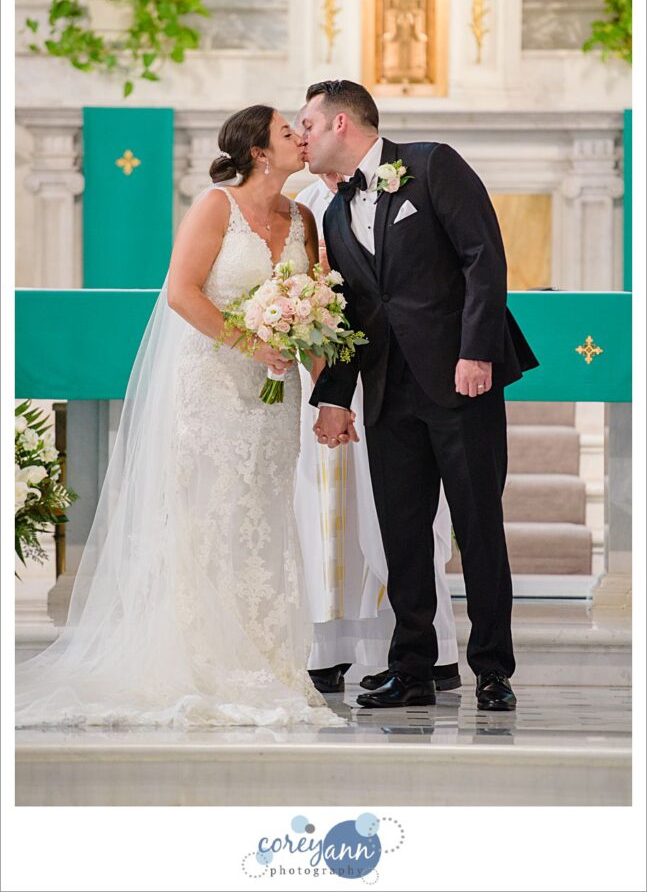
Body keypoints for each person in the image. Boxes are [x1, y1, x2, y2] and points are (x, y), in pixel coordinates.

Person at [15, 105, 346, 730]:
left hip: (274, 398)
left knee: (264, 517)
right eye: (286, 132)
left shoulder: (303, 217)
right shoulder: (215, 207)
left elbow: (318, 310)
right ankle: (203, 661)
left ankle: (268, 662)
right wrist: (251, 343)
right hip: (214, 385)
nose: (301, 138)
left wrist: (329, 396)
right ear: (255, 150)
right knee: (209, 516)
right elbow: (181, 292)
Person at [300, 80, 539, 712]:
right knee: (402, 532)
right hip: (387, 391)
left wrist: (477, 351)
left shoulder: (433, 165)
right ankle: (411, 667)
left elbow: (483, 260)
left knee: (478, 524)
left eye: (309, 125)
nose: (303, 137)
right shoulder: (332, 214)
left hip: (461, 381)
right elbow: (354, 312)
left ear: (343, 125)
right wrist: (333, 396)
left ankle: (492, 668)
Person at [292, 161, 460, 696]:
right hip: (323, 381)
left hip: (384, 374)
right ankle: (331, 647)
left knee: (400, 512)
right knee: (325, 509)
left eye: (307, 128)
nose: (302, 140)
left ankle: (425, 647)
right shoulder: (302, 207)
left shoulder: (399, 183)